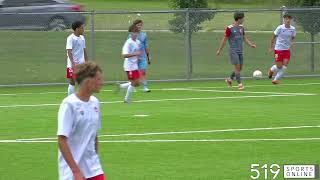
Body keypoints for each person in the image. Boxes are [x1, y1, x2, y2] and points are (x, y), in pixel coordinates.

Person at [57, 62, 105, 180]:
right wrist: (76, 171)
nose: (102, 83)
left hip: (94, 169)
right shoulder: (69, 105)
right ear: (88, 81)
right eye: (98, 79)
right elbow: (62, 140)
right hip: (73, 171)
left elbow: (94, 135)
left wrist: (95, 159)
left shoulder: (95, 103)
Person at [216, 11, 256, 90]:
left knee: (239, 68)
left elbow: (244, 38)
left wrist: (251, 44)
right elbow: (224, 40)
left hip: (240, 51)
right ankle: (240, 84)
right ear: (239, 19)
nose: (244, 19)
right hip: (233, 51)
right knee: (237, 68)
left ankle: (229, 79)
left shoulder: (241, 27)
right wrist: (219, 50)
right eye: (243, 18)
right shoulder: (229, 28)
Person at [268, 13, 296, 84]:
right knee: (279, 67)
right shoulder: (280, 28)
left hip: (286, 50)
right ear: (284, 20)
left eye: (289, 19)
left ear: (290, 20)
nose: (287, 20)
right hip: (278, 49)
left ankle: (275, 80)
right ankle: (271, 70)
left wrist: (292, 42)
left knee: (284, 67)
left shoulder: (292, 29)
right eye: (286, 19)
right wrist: (271, 47)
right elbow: (273, 36)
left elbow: (293, 37)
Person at [119, 24, 142, 103]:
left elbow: (137, 53)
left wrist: (138, 58)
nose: (135, 34)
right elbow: (125, 55)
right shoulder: (128, 43)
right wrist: (136, 54)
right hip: (129, 66)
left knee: (138, 83)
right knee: (134, 82)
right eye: (133, 32)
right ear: (130, 33)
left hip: (134, 66)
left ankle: (121, 86)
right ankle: (127, 99)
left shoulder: (138, 42)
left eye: (136, 32)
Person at [128, 19, 151, 92]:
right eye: (138, 25)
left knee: (143, 71)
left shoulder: (144, 34)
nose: (139, 26)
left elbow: (146, 46)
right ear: (134, 26)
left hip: (143, 56)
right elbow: (129, 46)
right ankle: (133, 86)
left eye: (140, 25)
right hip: (134, 57)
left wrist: (148, 57)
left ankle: (145, 87)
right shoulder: (131, 35)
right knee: (134, 72)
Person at [66, 20, 88, 95]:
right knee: (72, 82)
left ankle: (82, 98)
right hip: (73, 64)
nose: (83, 29)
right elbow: (69, 51)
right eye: (82, 28)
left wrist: (87, 62)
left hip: (81, 64)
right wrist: (73, 63)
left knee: (83, 81)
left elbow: (84, 50)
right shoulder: (70, 38)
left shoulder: (82, 38)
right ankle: (70, 99)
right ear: (77, 29)